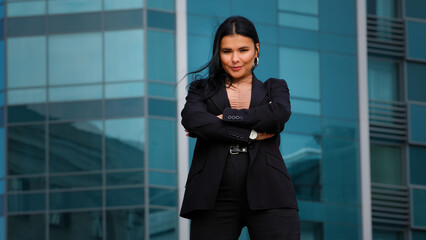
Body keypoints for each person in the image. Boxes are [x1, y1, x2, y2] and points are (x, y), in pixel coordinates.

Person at [180, 16, 300, 240]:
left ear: (256, 49)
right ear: (219, 52)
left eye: (243, 50)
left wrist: (226, 116)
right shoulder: (200, 89)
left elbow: (278, 114)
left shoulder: (275, 88)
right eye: (227, 51)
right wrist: (251, 134)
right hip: (212, 195)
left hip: (271, 191)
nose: (235, 59)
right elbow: (193, 120)